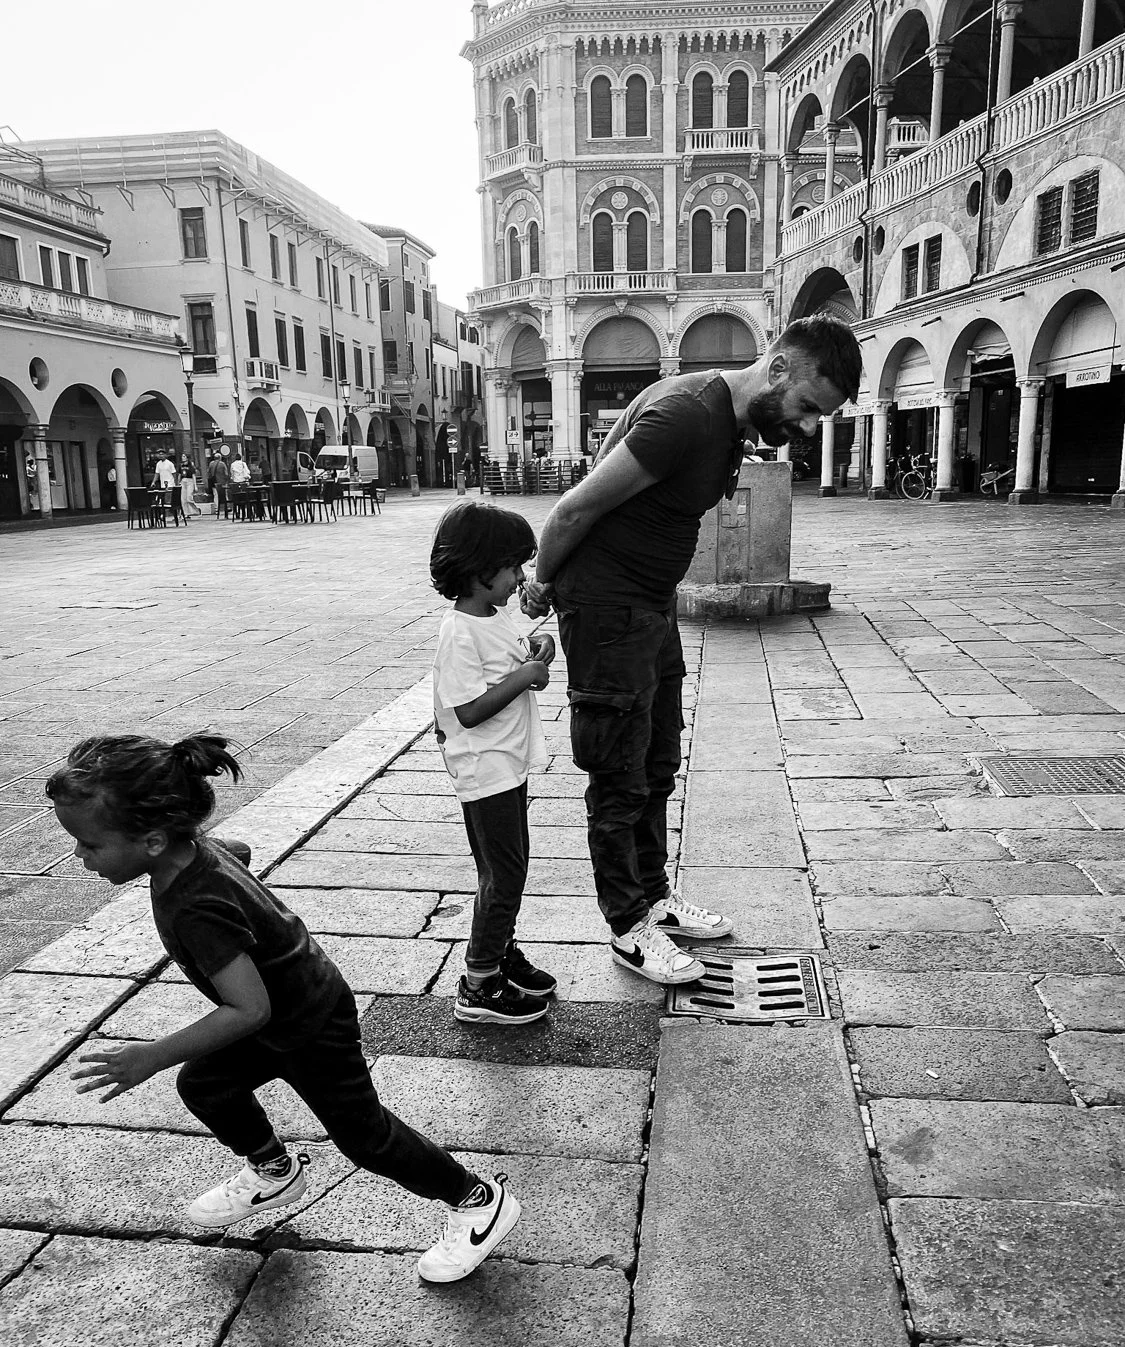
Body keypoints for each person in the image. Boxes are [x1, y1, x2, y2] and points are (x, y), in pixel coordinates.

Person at [46, 734, 519, 1282]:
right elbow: (238, 852)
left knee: (366, 1138)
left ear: (153, 841)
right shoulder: (194, 852)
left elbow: (247, 1011)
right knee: (206, 1085)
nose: (78, 856)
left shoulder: (192, 907)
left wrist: (151, 1055)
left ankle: (478, 1200)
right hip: (287, 1011)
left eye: (87, 844)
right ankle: (275, 1169)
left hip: (308, 1023)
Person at [522, 315, 863, 987]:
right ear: (777, 370)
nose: (803, 428)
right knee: (618, 770)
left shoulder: (723, 420)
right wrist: (543, 584)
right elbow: (573, 509)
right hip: (608, 605)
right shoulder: (685, 414)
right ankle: (627, 926)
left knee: (655, 757)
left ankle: (653, 898)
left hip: (650, 604)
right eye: (803, 409)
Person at [431, 501, 556, 1025]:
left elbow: (512, 652)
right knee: (503, 874)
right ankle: (480, 981)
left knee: (509, 866)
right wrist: (525, 677)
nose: (520, 579)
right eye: (513, 568)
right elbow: (469, 710)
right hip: (485, 767)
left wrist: (534, 649)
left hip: (507, 763)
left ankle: (499, 951)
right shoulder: (459, 632)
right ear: (481, 571)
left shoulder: (492, 616)